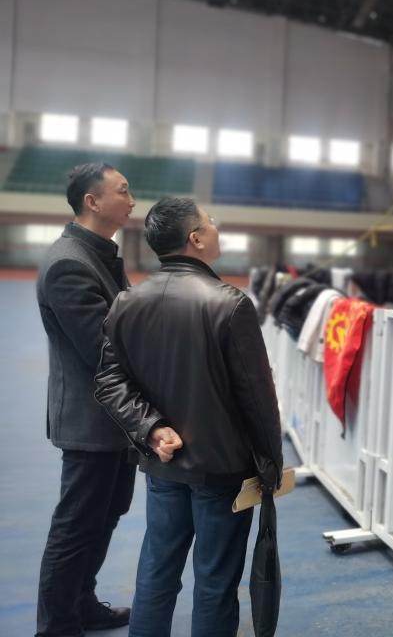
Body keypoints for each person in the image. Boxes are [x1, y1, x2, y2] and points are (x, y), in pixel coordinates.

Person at [94, 198, 284, 636]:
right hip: (222, 469)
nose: (216, 228)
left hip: (163, 463)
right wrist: (270, 464)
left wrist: (151, 427)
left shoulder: (128, 301)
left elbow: (108, 380)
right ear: (195, 238)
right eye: (210, 222)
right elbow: (257, 398)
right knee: (216, 582)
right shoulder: (229, 305)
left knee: (157, 569)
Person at [35, 163, 136, 636]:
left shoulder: (100, 254)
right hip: (90, 421)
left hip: (115, 417)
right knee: (76, 527)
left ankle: (81, 603)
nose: (131, 201)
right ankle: (56, 626)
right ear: (92, 202)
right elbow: (105, 349)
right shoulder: (70, 264)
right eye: (123, 192)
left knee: (105, 515)